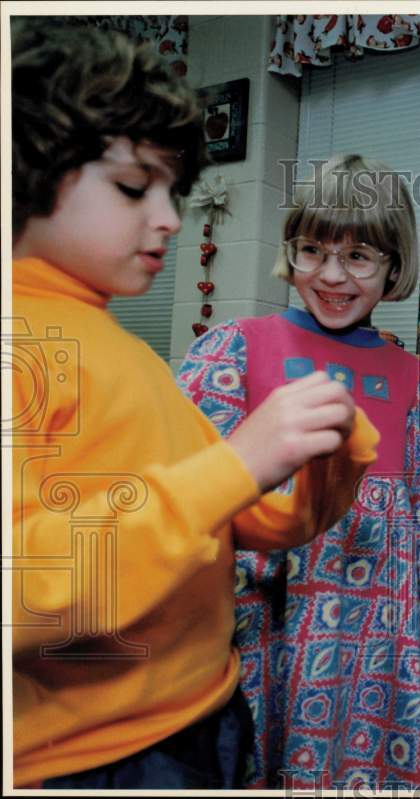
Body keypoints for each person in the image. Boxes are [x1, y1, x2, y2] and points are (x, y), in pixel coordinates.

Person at [10, 20, 379, 789]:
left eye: (173, 191)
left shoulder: (124, 348)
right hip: (94, 755)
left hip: (206, 712)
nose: (172, 218)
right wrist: (238, 460)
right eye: (133, 186)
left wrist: (330, 459)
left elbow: (245, 522)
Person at [176, 153, 420, 790]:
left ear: (394, 267)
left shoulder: (415, 385)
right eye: (312, 250)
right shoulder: (236, 349)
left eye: (359, 257)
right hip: (253, 653)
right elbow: (178, 499)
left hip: (377, 677)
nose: (331, 275)